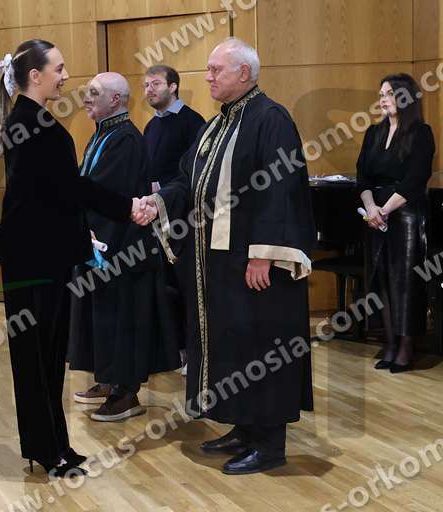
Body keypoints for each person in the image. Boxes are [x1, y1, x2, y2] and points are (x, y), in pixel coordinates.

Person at [133, 38, 315, 475]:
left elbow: (281, 191)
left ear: (244, 73)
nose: (208, 77)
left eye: (216, 70)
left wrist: (264, 255)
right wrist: (157, 203)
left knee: (261, 346)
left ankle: (269, 443)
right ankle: (243, 426)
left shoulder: (271, 119)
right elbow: (187, 180)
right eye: (209, 69)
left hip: (254, 265)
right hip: (219, 266)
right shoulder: (217, 125)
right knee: (234, 345)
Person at [0, 40, 141, 477]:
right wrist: (128, 206)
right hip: (31, 259)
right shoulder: (32, 124)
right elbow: (71, 189)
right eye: (59, 68)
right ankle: (45, 448)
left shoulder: (33, 121)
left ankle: (55, 444)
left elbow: (50, 196)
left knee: (49, 358)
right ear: (35, 76)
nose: (66, 76)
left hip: (41, 255)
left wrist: (80, 230)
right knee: (36, 361)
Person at [68, 72, 181, 421]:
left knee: (122, 322)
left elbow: (107, 195)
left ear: (115, 100)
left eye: (94, 92)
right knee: (100, 319)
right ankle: (107, 379)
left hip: (122, 250)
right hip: (103, 244)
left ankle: (126, 394)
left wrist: (88, 233)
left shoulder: (126, 139)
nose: (86, 98)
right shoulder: (104, 133)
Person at [357, 74, 435, 373]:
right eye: (381, 94)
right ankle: (389, 342)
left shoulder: (421, 133)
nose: (383, 99)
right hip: (375, 215)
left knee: (405, 282)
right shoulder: (373, 133)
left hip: (406, 214)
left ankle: (406, 347)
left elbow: (415, 179)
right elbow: (363, 176)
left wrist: (386, 210)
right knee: (381, 280)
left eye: (389, 93)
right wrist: (371, 208)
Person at [142, 64, 205, 376]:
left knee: (186, 287)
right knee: (165, 287)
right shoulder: (150, 127)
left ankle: (195, 352)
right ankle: (174, 349)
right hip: (157, 218)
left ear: (173, 86)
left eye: (155, 84)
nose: (149, 90)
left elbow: (194, 173)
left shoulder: (192, 122)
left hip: (183, 221)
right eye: (146, 85)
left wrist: (164, 192)